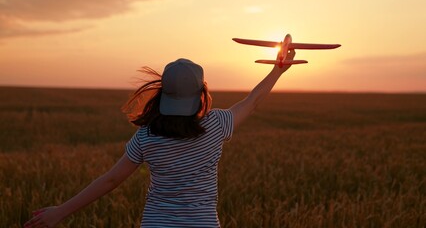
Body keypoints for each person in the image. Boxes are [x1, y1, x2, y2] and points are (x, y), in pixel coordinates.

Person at [24, 50, 296, 228]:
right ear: (201, 93)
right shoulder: (216, 124)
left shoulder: (146, 135)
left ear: (163, 94)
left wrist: (61, 211)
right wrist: (278, 70)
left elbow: (110, 180)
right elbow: (253, 102)